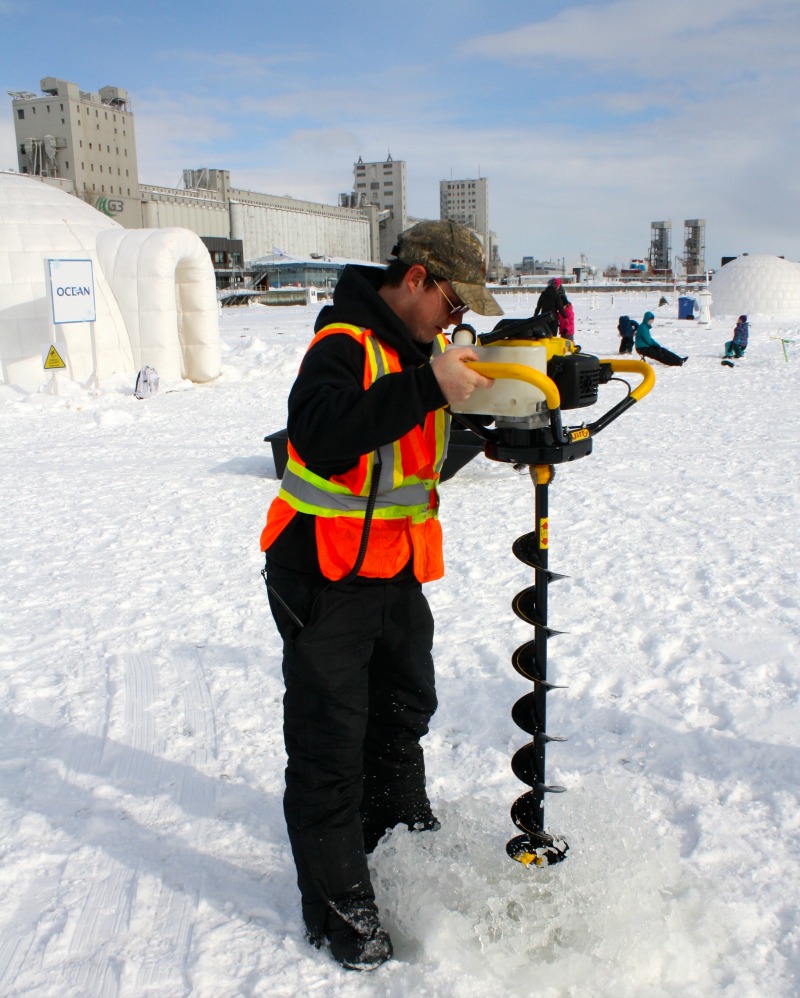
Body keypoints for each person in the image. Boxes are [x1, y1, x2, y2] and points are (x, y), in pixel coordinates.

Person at [259, 220, 501, 972]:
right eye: (455, 303)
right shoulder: (345, 344)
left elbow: (413, 450)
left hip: (392, 570)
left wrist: (492, 414)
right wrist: (430, 386)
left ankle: (399, 837)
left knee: (402, 712)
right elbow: (321, 433)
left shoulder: (418, 350)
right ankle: (339, 907)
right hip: (325, 575)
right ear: (420, 278)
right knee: (331, 744)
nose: (456, 320)